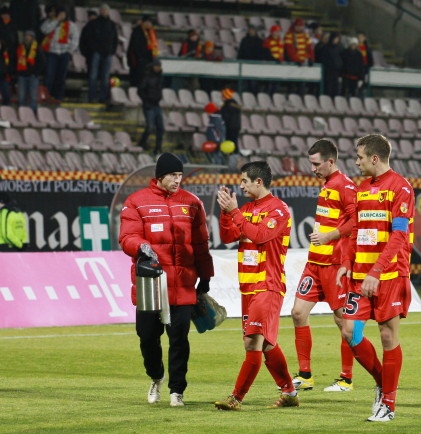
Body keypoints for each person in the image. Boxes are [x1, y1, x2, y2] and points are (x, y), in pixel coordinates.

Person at [118, 153, 215, 407]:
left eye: (180, 175)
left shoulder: (192, 203)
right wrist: (141, 246)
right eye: (173, 175)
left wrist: (206, 276)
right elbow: (127, 237)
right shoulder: (136, 202)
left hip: (182, 285)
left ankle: (176, 390)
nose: (177, 180)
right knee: (147, 337)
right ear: (160, 176)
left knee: (179, 339)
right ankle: (156, 375)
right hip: (150, 285)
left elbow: (201, 244)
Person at [336, 134, 415, 422]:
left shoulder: (400, 188)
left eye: (359, 157)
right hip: (360, 275)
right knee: (350, 332)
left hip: (389, 274)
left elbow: (399, 235)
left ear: (374, 158)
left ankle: (389, 404)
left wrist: (376, 271)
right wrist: (347, 262)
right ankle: (384, 384)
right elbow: (355, 230)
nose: (356, 162)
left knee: (387, 336)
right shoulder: (361, 189)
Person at [213, 161, 299, 411]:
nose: (241, 186)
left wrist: (235, 213)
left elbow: (260, 235)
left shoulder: (279, 210)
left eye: (244, 181)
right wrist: (225, 212)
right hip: (248, 287)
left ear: (258, 181)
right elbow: (228, 236)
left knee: (252, 343)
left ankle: (236, 397)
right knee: (267, 344)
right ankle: (290, 393)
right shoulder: (246, 209)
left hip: (268, 284)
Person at [290, 139, 357, 392]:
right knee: (298, 313)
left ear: (330, 161)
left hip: (334, 264)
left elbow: (356, 221)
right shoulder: (328, 184)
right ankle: (305, 375)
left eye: (316, 164)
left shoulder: (345, 185)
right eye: (311, 164)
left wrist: (330, 236)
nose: (313, 169)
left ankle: (346, 379)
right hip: (314, 262)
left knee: (342, 321)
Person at [79, 3, 117, 104]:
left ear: (108, 11)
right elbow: (87, 38)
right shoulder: (93, 24)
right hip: (96, 52)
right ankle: (92, 97)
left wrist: (112, 50)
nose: (104, 11)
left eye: (106, 10)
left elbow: (115, 39)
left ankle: (103, 97)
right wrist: (91, 49)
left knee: (105, 76)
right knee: (93, 75)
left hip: (107, 53)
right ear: (100, 11)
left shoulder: (112, 24)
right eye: (102, 10)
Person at [39, 5, 78, 103]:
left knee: (61, 76)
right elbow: (44, 30)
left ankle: (58, 97)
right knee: (49, 75)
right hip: (52, 52)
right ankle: (47, 95)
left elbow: (75, 39)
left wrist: (69, 51)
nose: (62, 15)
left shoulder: (71, 25)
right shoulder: (50, 22)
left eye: (63, 14)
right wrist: (56, 21)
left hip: (64, 53)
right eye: (60, 13)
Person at [137, 58, 164, 154]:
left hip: (157, 104)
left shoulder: (160, 77)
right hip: (149, 105)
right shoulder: (147, 77)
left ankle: (158, 148)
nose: (158, 68)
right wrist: (146, 99)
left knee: (160, 127)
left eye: (159, 66)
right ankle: (142, 143)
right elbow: (140, 90)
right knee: (150, 127)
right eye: (156, 66)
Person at [127, 15, 158, 88]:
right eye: (148, 22)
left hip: (146, 60)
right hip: (138, 61)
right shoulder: (137, 32)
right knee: (137, 81)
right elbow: (135, 47)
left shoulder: (150, 32)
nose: (149, 25)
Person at [15, 30, 41, 111]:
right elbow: (15, 60)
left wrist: (36, 72)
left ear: (32, 38)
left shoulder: (37, 48)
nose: (27, 37)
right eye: (26, 35)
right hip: (22, 75)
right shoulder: (20, 47)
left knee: (33, 96)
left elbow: (42, 62)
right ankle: (21, 112)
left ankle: (33, 113)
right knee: (21, 96)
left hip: (33, 75)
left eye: (29, 36)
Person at [317, 32, 343, 97]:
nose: (335, 40)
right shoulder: (325, 48)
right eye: (335, 38)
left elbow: (343, 59)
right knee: (328, 88)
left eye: (337, 39)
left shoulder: (340, 48)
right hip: (328, 72)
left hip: (337, 72)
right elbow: (323, 59)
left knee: (336, 88)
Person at [219, 88, 241, 153]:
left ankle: (229, 154)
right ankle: (235, 153)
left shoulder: (227, 106)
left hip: (229, 126)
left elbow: (225, 117)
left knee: (229, 142)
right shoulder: (235, 105)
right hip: (236, 126)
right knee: (234, 142)